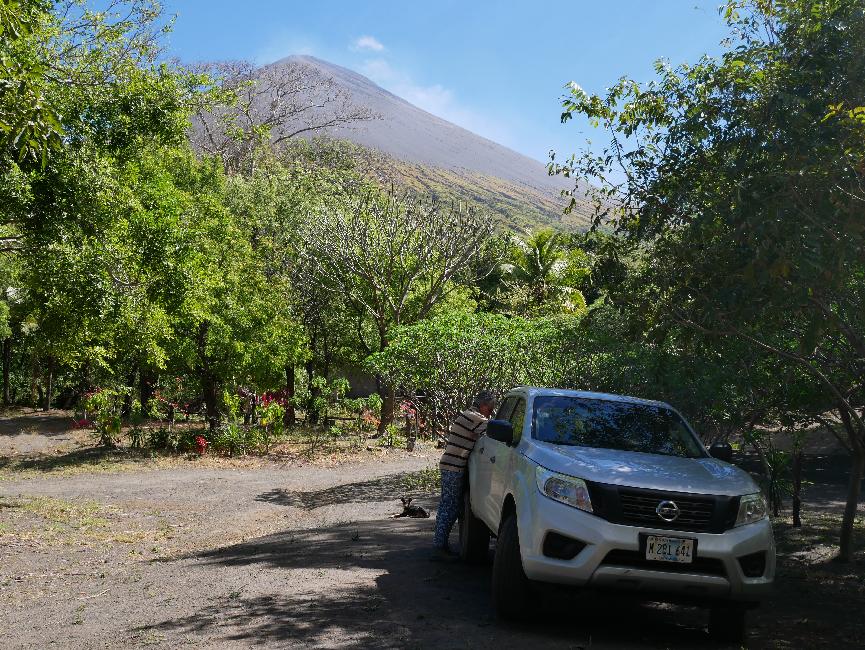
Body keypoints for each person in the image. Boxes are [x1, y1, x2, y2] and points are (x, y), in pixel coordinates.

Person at [431, 390, 496, 560]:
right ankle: (439, 547)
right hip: (453, 467)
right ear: (482, 406)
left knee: (448, 505)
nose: (491, 413)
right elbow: (493, 428)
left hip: (450, 465)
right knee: (450, 506)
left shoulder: (468, 415)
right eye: (490, 409)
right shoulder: (474, 417)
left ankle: (440, 544)